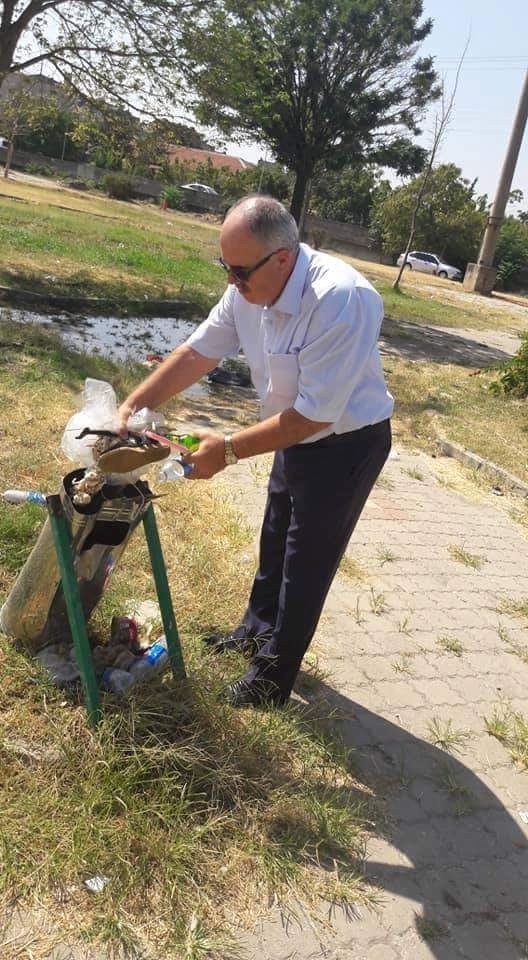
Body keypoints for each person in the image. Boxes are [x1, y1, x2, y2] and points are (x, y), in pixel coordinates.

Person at [118, 195, 394, 708]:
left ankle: (271, 680)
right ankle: (253, 631)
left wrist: (226, 450)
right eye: (226, 267)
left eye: (240, 272)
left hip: (345, 445)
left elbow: (316, 415)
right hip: (290, 431)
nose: (232, 283)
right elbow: (199, 351)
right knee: (275, 536)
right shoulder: (248, 289)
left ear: (284, 259)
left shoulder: (342, 299)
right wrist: (138, 401)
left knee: (306, 559)